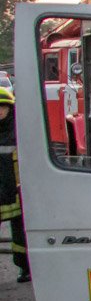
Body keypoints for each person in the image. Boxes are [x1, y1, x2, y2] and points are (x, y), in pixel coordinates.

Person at [0, 86, 30, 283]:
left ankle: (24, 268)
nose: (0, 112)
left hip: (17, 193)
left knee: (21, 235)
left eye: (3, 107)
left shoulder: (19, 132)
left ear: (10, 108)